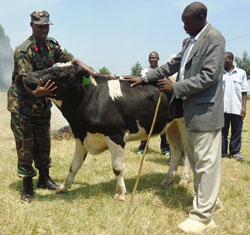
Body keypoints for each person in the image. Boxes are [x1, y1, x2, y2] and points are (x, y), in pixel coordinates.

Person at [124, 2, 225, 233]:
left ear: (201, 18)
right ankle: (210, 202)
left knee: (207, 164)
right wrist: (145, 78)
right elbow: (172, 64)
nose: (184, 27)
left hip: (206, 112)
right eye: (183, 22)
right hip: (189, 112)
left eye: (187, 22)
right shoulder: (192, 41)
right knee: (198, 161)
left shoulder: (214, 39)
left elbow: (209, 76)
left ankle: (202, 217)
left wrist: (176, 87)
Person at [7, 10, 74, 204]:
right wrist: (35, 93)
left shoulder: (51, 46)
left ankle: (44, 179)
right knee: (26, 146)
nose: (43, 29)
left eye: (46, 25)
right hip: (23, 105)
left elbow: (69, 59)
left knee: (44, 143)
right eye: (40, 25)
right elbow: (26, 79)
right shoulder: (23, 50)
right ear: (32, 26)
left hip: (42, 104)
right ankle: (28, 185)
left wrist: (86, 69)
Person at [137, 51, 170, 156]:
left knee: (163, 126)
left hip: (161, 102)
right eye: (150, 58)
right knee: (146, 126)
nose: (152, 60)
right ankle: (143, 148)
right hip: (147, 103)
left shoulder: (163, 71)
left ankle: (165, 149)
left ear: (158, 59)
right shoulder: (145, 71)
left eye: (154, 58)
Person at [222, 52, 249, 160]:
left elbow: (244, 92)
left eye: (225, 59)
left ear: (231, 60)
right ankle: (222, 152)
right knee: (222, 131)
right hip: (223, 108)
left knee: (236, 131)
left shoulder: (241, 73)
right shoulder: (220, 73)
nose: (223, 61)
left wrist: (243, 108)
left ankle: (234, 152)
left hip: (236, 108)